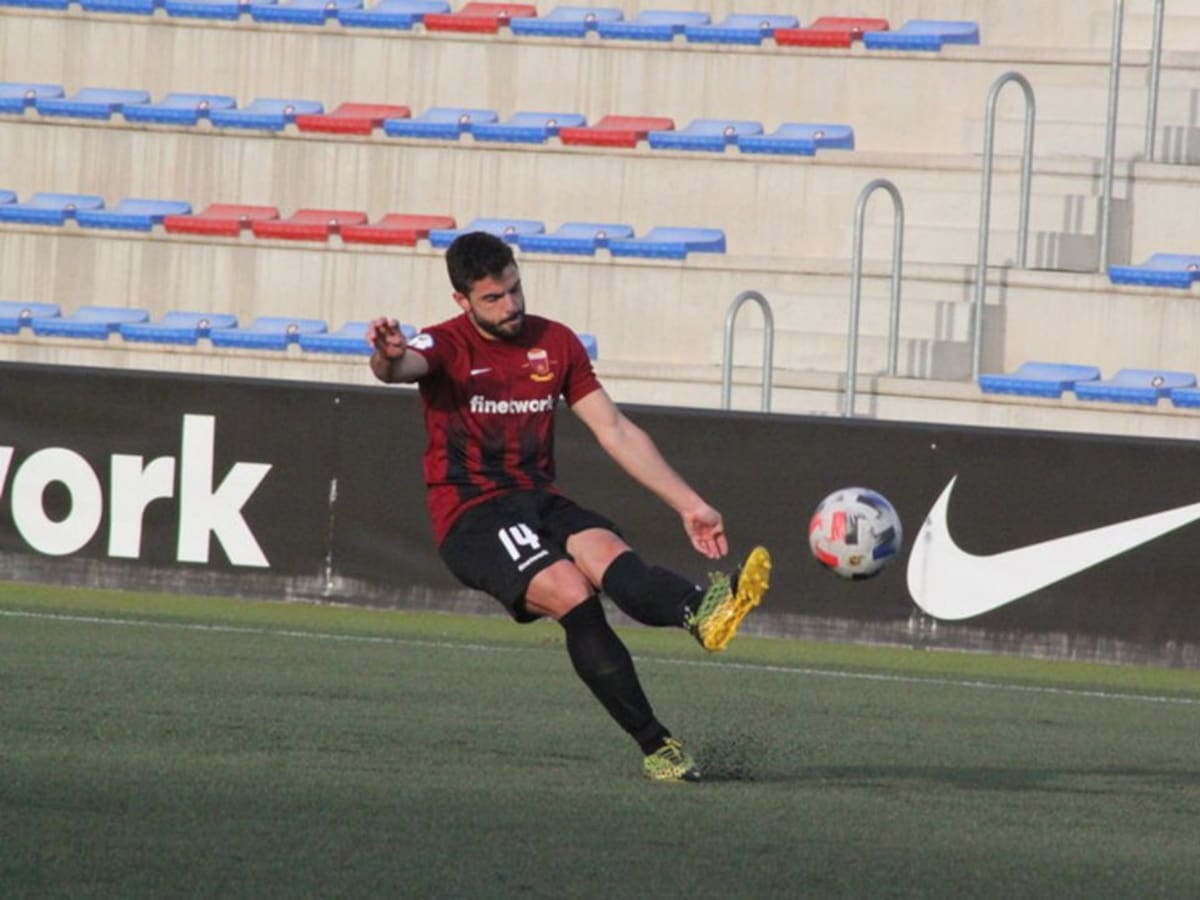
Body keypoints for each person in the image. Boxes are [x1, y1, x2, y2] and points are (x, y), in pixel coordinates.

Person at [367, 231, 771, 782]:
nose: (510, 306)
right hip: (473, 515)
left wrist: (689, 504)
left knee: (611, 558)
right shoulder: (445, 344)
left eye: (514, 289)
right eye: (492, 298)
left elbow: (614, 429)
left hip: (540, 499)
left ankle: (700, 612)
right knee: (573, 594)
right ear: (462, 300)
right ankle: (658, 746)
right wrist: (386, 356)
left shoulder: (555, 342)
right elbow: (402, 367)